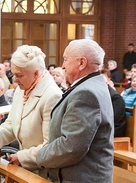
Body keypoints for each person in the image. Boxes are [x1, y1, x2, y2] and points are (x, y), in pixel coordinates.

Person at [36, 39, 114, 182]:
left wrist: (40, 155)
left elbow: (71, 147)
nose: (63, 66)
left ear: (81, 63)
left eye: (66, 59)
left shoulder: (86, 93)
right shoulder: (90, 85)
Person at [0, 45, 62, 178]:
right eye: (13, 74)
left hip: (42, 173)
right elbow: (12, 124)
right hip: (23, 172)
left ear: (36, 74)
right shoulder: (22, 87)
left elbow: (50, 145)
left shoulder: (52, 96)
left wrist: (21, 157)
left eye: (19, 75)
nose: (14, 80)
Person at [101, 69, 126, 137]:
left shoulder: (115, 97)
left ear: (107, 81)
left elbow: (113, 118)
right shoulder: (101, 94)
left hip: (114, 130)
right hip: (105, 128)